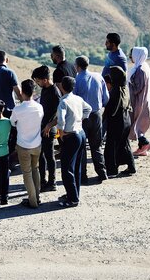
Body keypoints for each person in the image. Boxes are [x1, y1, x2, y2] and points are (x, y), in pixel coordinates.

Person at [56, 76, 91, 208]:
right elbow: (88, 109)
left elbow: (61, 119)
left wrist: (61, 131)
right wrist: (80, 119)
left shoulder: (63, 101)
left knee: (67, 168)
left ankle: (72, 199)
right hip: (81, 133)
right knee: (76, 167)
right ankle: (74, 193)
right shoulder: (78, 98)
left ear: (62, 87)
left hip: (71, 136)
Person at [74, 56, 109, 182]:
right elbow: (106, 98)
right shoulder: (98, 76)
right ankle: (102, 172)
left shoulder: (77, 79)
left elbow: (75, 100)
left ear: (77, 66)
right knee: (96, 145)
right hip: (97, 114)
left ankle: (83, 176)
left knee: (82, 147)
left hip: (83, 117)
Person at [10, 79, 44, 209]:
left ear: (22, 92)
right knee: (35, 169)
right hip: (36, 144)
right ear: (33, 91)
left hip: (23, 145)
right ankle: (37, 196)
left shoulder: (18, 109)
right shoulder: (39, 107)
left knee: (27, 173)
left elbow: (13, 123)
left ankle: (33, 201)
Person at [32, 65, 60, 192]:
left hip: (49, 129)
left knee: (49, 156)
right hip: (42, 127)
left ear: (44, 79)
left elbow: (59, 115)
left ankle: (52, 182)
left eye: (37, 80)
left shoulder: (55, 92)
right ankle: (42, 180)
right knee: (41, 156)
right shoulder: (45, 89)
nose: (37, 83)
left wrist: (49, 126)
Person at [103, 66, 136, 176]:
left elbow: (111, 109)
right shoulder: (124, 87)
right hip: (126, 120)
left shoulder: (116, 90)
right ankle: (131, 167)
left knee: (111, 147)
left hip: (117, 122)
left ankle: (112, 170)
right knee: (124, 144)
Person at [128, 47, 150, 156]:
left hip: (139, 101)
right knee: (138, 124)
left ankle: (145, 144)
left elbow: (137, 88)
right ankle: (143, 146)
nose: (130, 57)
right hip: (143, 100)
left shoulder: (141, 70)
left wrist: (129, 81)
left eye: (131, 55)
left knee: (136, 122)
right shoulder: (143, 66)